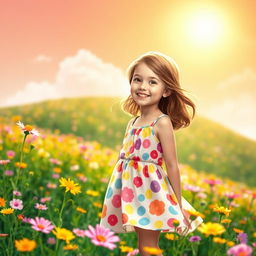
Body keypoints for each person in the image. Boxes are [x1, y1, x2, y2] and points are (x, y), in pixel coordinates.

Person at [99, 51, 203, 256]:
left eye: (152, 82)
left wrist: (178, 203)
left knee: (148, 248)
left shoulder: (161, 122)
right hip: (131, 192)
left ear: (166, 91)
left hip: (150, 194)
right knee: (143, 246)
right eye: (137, 79)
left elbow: (172, 165)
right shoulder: (133, 122)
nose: (143, 87)